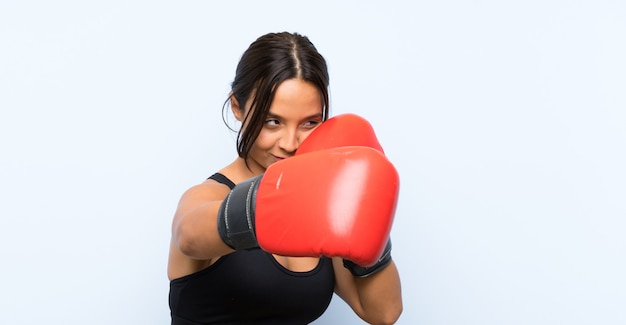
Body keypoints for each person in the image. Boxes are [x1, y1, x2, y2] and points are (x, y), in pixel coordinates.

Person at [167, 31, 403, 325]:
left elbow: (383, 312)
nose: (290, 143)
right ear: (237, 107)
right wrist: (272, 200)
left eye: (309, 123)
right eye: (273, 121)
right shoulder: (207, 196)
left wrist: (367, 212)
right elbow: (189, 237)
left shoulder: (322, 204)